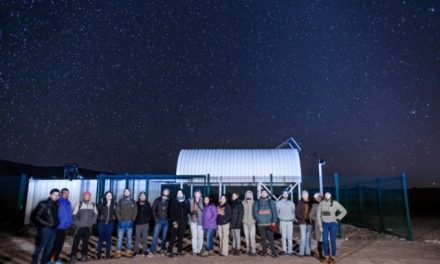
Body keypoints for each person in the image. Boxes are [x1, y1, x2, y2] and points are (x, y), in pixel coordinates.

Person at [31, 188, 60, 264]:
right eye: (54, 194)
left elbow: (54, 216)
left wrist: (56, 223)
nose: (56, 196)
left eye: (57, 195)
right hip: (45, 229)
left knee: (49, 249)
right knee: (40, 248)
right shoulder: (43, 203)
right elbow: (36, 217)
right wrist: (47, 224)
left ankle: (44, 262)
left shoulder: (56, 204)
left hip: (53, 230)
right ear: (50, 195)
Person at [317, 192, 347, 263]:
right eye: (326, 194)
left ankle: (333, 256)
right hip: (325, 224)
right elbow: (318, 215)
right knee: (325, 241)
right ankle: (326, 256)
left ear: (330, 196)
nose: (327, 196)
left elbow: (344, 211)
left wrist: (338, 217)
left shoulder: (335, 203)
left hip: (333, 224)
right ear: (324, 196)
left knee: (333, 240)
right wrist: (320, 225)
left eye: (329, 195)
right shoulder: (321, 203)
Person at [71, 191, 98, 263]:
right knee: (75, 242)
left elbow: (95, 215)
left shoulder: (93, 205)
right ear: (83, 196)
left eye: (89, 195)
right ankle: (73, 257)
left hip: (88, 227)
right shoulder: (79, 204)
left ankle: (84, 257)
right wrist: (77, 223)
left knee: (85, 243)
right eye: (86, 195)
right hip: (79, 227)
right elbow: (74, 215)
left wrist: (92, 223)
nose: (88, 197)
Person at [51, 188, 73, 264]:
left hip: (65, 228)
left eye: (68, 193)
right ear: (61, 193)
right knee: (55, 245)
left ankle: (56, 259)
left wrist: (70, 223)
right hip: (58, 228)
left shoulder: (69, 203)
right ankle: (51, 260)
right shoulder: (58, 202)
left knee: (60, 245)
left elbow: (69, 214)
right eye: (65, 193)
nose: (67, 194)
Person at [253, 189, 277, 258]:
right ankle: (264, 252)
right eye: (262, 193)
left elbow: (274, 212)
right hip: (261, 224)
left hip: (269, 224)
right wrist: (259, 220)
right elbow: (255, 213)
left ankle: (273, 253)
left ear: (267, 194)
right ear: (260, 194)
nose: (263, 194)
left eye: (265, 193)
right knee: (263, 238)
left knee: (271, 238)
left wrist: (274, 221)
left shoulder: (271, 202)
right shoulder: (257, 202)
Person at [115, 188, 138, 258]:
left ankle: (128, 252)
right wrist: (119, 219)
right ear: (124, 193)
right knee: (120, 238)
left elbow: (135, 211)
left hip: (130, 223)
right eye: (125, 192)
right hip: (121, 223)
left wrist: (132, 219)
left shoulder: (133, 201)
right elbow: (116, 211)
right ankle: (118, 252)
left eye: (128, 191)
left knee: (129, 238)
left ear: (130, 193)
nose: (127, 193)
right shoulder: (120, 201)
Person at [168, 189, 190, 257]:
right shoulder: (174, 202)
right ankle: (169, 251)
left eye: (180, 193)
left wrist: (186, 220)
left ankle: (179, 251)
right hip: (176, 222)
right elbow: (171, 212)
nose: (179, 194)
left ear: (183, 194)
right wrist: (174, 222)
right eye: (178, 193)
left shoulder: (186, 202)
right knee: (173, 236)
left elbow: (188, 211)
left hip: (183, 222)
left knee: (181, 236)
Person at [150, 188, 171, 255]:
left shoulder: (169, 200)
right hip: (158, 220)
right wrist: (155, 218)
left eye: (167, 191)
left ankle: (162, 249)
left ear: (168, 193)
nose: (166, 192)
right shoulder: (157, 199)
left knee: (164, 236)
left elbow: (171, 210)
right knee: (155, 235)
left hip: (166, 221)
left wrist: (170, 218)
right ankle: (152, 249)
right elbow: (153, 209)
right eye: (165, 191)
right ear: (163, 192)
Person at [97, 191, 116, 260]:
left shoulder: (114, 204)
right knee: (101, 239)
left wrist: (114, 217)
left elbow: (115, 212)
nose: (109, 196)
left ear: (112, 196)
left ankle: (107, 255)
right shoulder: (101, 203)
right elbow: (96, 211)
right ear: (105, 196)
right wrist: (100, 217)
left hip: (110, 224)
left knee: (108, 240)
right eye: (107, 195)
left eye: (110, 195)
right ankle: (99, 255)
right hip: (101, 223)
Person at [276, 190, 295, 256]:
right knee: (283, 237)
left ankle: (290, 251)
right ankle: (284, 250)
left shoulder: (291, 203)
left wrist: (292, 217)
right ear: (282, 195)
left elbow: (293, 211)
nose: (285, 195)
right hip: (282, 221)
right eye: (284, 193)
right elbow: (277, 212)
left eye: (286, 194)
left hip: (290, 222)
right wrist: (280, 217)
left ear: (288, 195)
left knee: (290, 237)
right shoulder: (279, 203)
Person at [134, 191, 152, 256]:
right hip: (138, 224)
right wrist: (135, 220)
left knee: (145, 238)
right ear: (139, 197)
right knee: (137, 238)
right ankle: (136, 251)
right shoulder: (136, 204)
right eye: (141, 195)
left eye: (143, 195)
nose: (142, 196)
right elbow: (134, 213)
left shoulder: (148, 204)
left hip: (145, 224)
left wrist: (147, 220)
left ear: (145, 197)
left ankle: (145, 250)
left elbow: (150, 214)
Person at [189, 189, 204, 256]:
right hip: (193, 221)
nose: (197, 195)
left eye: (199, 194)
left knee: (200, 236)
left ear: (201, 195)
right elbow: (188, 211)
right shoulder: (190, 201)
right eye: (196, 193)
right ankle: (194, 250)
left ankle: (199, 250)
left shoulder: (203, 201)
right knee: (194, 236)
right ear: (194, 194)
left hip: (201, 221)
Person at [242, 190, 257, 256]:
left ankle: (253, 250)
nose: (248, 195)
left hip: (252, 223)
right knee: (247, 237)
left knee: (252, 237)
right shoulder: (243, 203)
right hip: (245, 223)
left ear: (252, 195)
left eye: (250, 194)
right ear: (245, 195)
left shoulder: (254, 203)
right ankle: (248, 250)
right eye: (247, 194)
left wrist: (255, 220)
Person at [310, 193, 324, 260]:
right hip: (318, 225)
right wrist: (317, 220)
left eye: (320, 197)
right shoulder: (314, 206)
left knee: (326, 240)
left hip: (325, 225)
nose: (319, 198)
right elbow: (312, 215)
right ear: (316, 199)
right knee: (320, 241)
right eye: (318, 198)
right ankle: (321, 255)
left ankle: (326, 255)